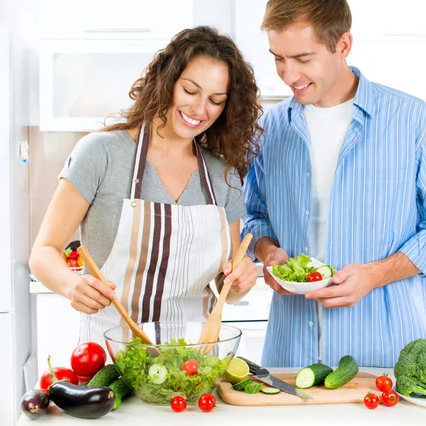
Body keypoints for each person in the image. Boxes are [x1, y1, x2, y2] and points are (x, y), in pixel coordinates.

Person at [242, 0, 426, 368]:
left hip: (388, 356)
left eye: (303, 58)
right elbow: (252, 216)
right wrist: (267, 253)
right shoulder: (271, 128)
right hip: (291, 355)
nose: (287, 74)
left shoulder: (411, 120)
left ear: (343, 45)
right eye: (278, 58)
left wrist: (376, 274)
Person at [30, 26, 261, 345]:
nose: (199, 109)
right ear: (168, 82)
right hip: (112, 360)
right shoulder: (101, 153)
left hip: (194, 367)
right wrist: (71, 285)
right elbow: (43, 252)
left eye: (215, 100)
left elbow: (227, 286)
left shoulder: (223, 176)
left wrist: (239, 283)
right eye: (190, 91)